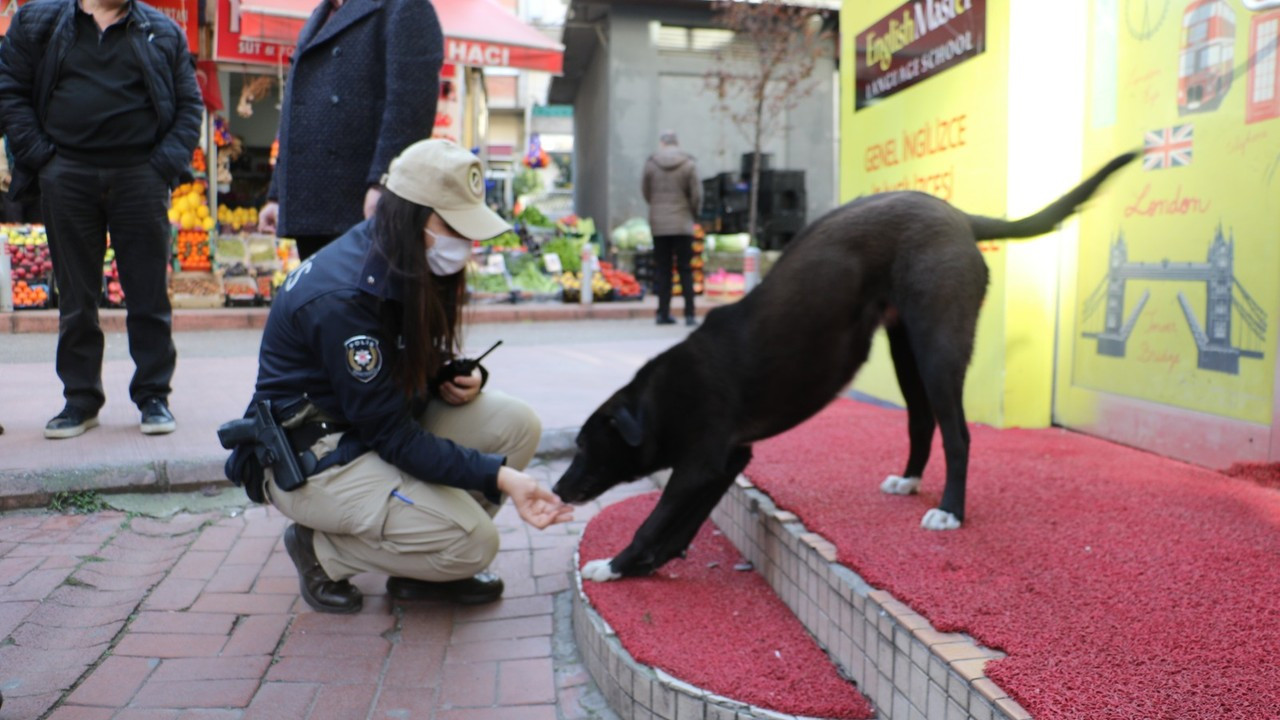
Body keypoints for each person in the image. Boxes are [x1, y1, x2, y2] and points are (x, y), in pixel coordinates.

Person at [226, 139, 573, 614]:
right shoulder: (346, 297)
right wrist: (501, 478)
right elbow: (392, 435)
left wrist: (444, 376)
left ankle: (424, 565)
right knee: (475, 543)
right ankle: (321, 552)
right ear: (412, 215)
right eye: (454, 226)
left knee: (518, 424)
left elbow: (396, 373)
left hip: (362, 432)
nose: (466, 246)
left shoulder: (399, 256)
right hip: (316, 457)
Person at [0, 0, 202, 439]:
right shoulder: (39, 22)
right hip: (66, 174)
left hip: (140, 176)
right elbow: (10, 92)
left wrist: (161, 167)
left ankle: (153, 396)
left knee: (148, 295)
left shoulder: (161, 31)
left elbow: (190, 107)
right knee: (76, 298)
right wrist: (43, 159)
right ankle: (80, 400)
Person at [257, 0, 443, 261]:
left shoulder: (404, 6)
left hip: (358, 207)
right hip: (313, 206)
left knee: (357, 297)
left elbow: (411, 102)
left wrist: (384, 183)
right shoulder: (321, 15)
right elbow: (297, 109)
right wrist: (278, 195)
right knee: (322, 297)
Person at [642, 131, 703, 327]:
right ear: (677, 143)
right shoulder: (688, 164)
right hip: (682, 222)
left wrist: (657, 207)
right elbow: (697, 194)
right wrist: (692, 213)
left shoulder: (651, 163)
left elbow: (645, 190)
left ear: (662, 143)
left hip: (659, 224)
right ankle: (690, 314)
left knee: (663, 269)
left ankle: (662, 313)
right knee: (685, 269)